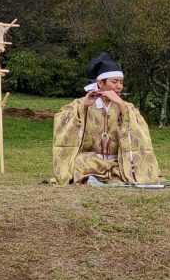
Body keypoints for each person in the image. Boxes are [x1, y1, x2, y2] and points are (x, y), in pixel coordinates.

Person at [52, 53, 161, 185]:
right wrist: (83, 107)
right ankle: (96, 176)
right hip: (91, 160)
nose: (119, 86)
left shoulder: (126, 107)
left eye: (121, 82)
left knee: (132, 171)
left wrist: (121, 105)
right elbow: (62, 120)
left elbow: (138, 131)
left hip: (118, 160)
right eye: (114, 82)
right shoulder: (82, 103)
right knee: (78, 165)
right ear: (100, 83)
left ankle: (98, 177)